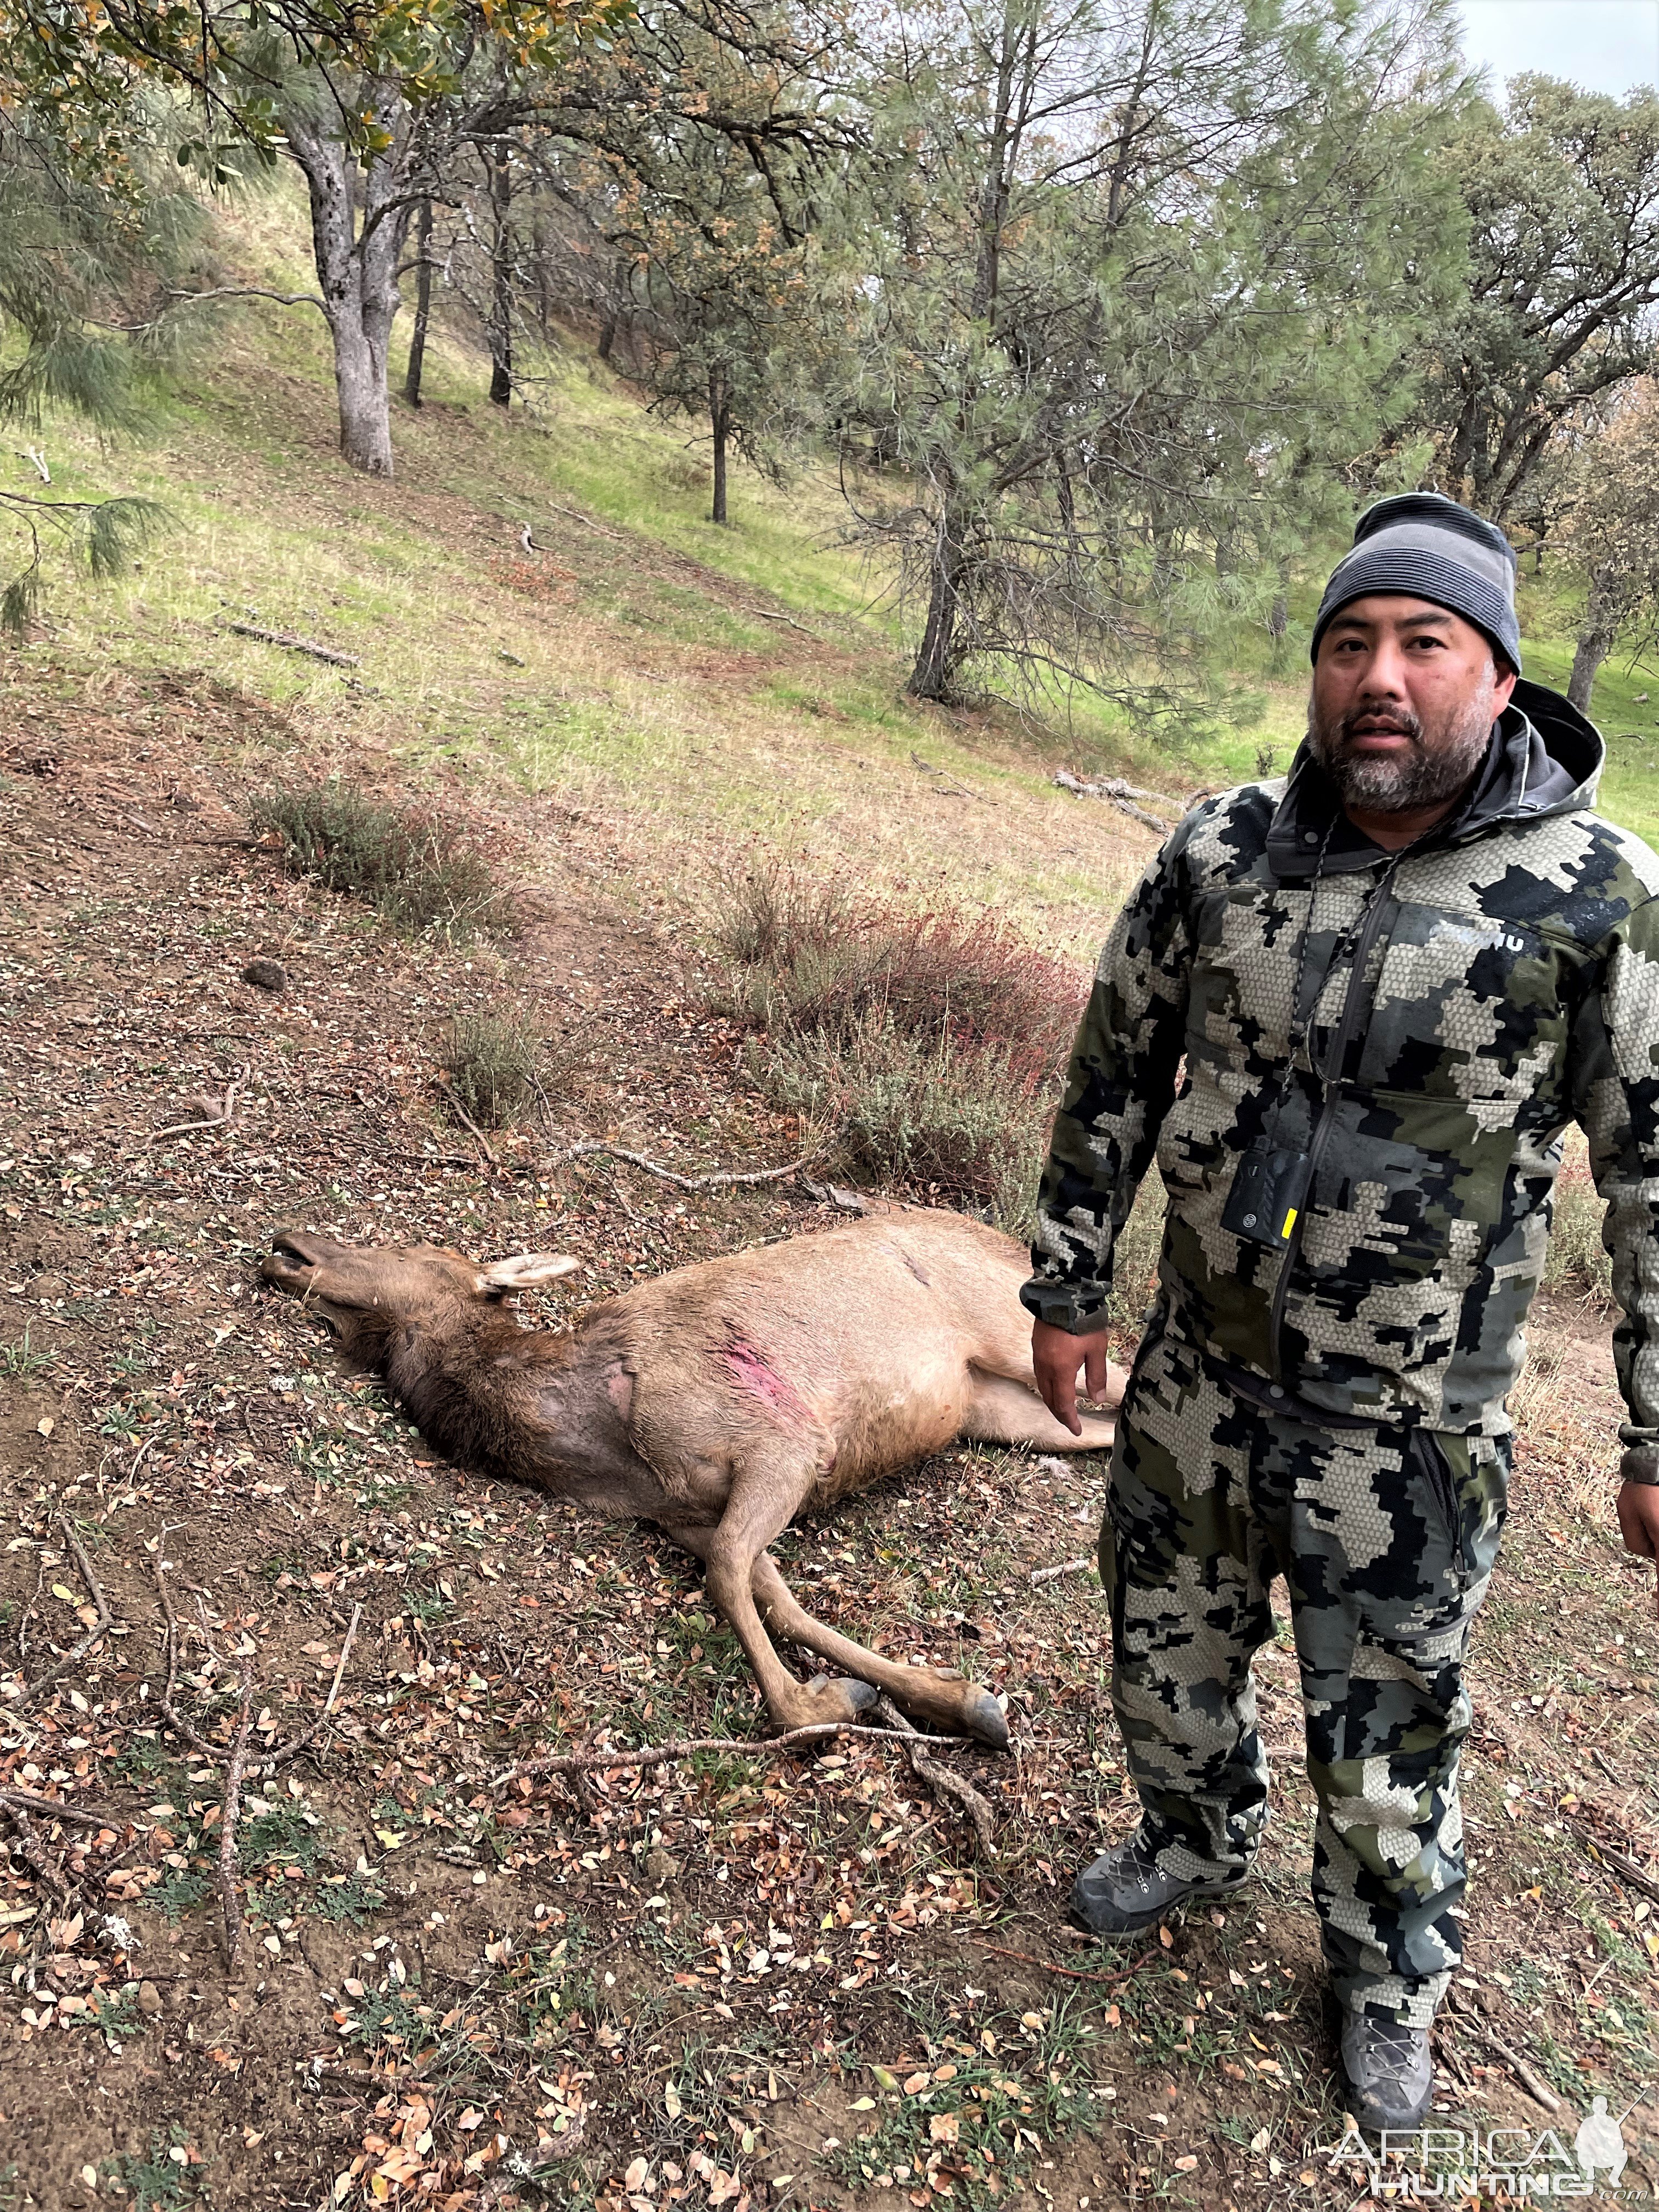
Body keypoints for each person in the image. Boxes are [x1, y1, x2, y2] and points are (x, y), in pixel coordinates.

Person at [1022, 491, 1659, 2132]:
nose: (1379, 676)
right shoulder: (1223, 850)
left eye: (1422, 644)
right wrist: (1072, 1279)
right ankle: (1190, 1833)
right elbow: (1115, 1066)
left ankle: (1384, 1981)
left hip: (1415, 1430)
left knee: (1389, 1735)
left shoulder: (1596, 895)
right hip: (1195, 1381)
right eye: (1348, 643)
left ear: (1499, 679)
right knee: (1164, 1661)